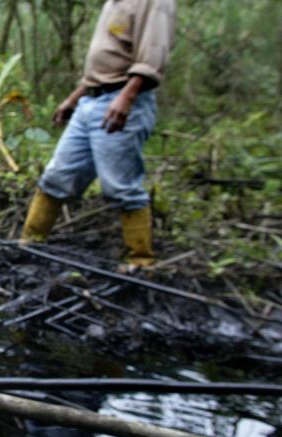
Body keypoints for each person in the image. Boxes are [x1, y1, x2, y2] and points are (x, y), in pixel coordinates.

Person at [20, 0, 176, 268]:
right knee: (57, 175)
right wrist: (74, 98)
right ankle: (29, 243)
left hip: (122, 99)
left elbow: (152, 56)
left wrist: (126, 98)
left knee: (121, 185)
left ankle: (140, 261)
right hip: (91, 100)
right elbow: (104, 61)